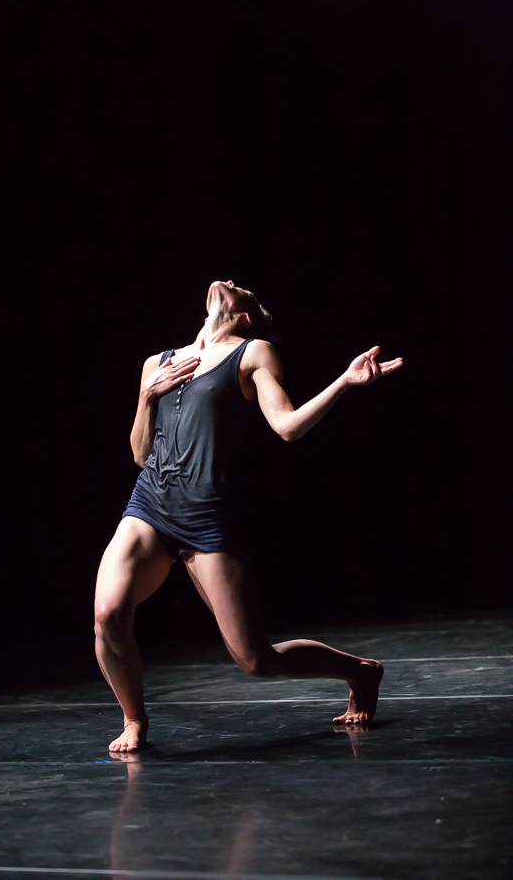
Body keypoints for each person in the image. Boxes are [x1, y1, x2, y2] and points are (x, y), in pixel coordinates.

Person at [94, 281, 403, 752]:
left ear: (245, 316)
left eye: (242, 290)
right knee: (108, 614)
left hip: (206, 515)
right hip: (150, 504)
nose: (232, 284)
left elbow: (287, 427)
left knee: (256, 659)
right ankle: (134, 720)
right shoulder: (158, 362)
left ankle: (360, 671)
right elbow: (140, 455)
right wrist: (146, 395)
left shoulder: (252, 352)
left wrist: (344, 381)